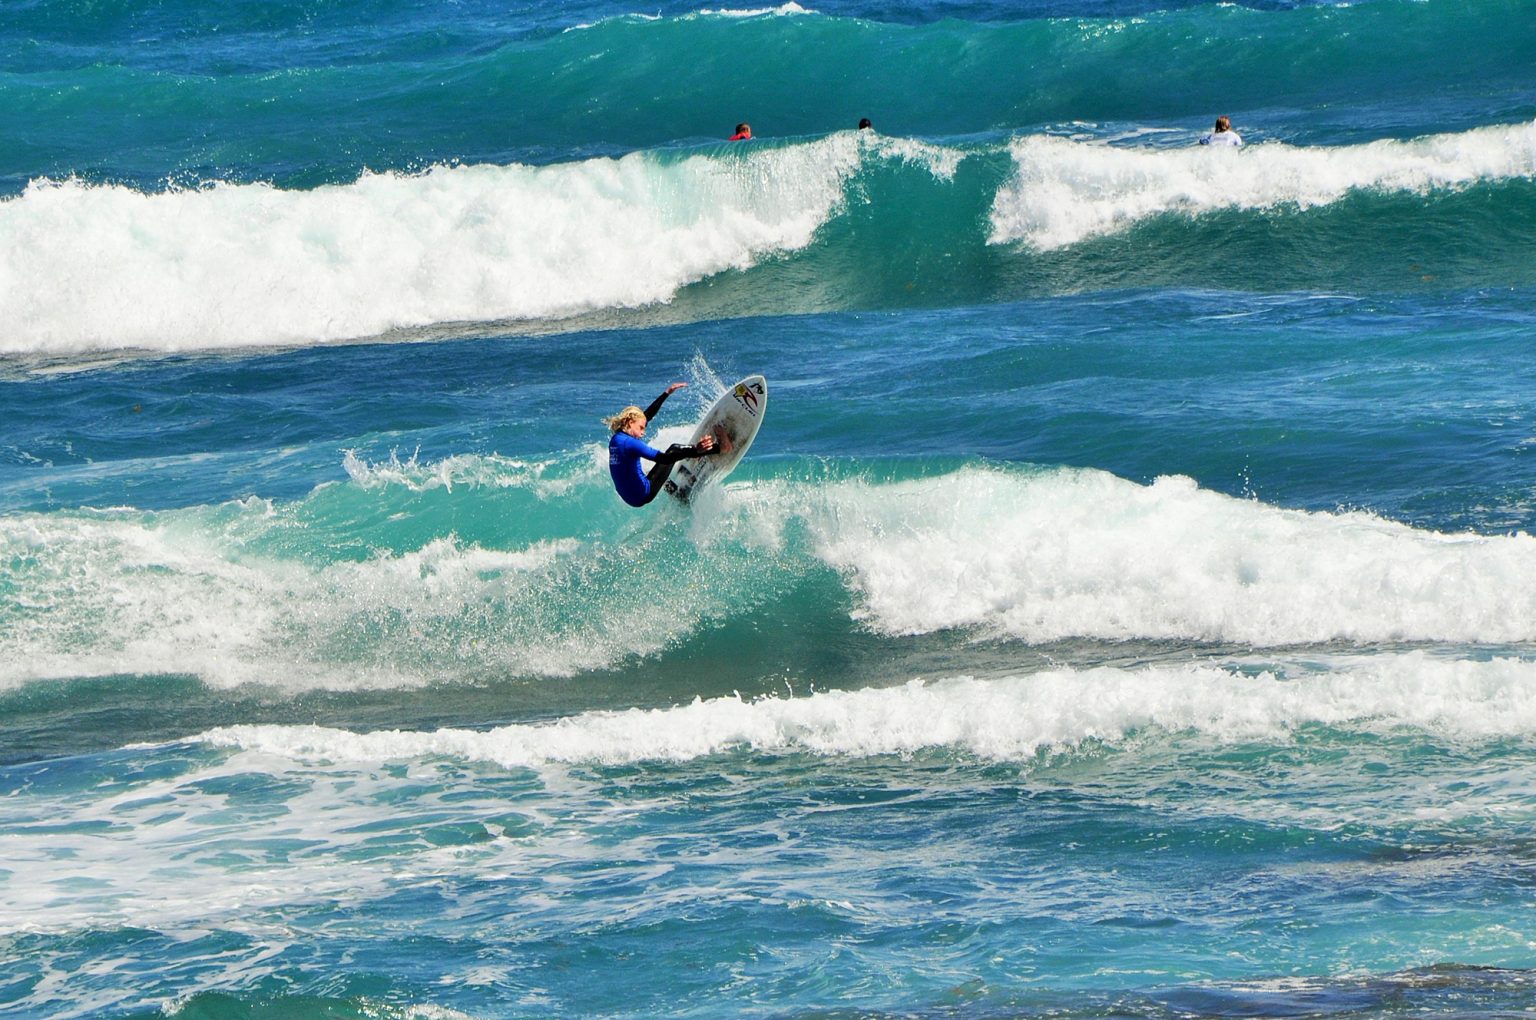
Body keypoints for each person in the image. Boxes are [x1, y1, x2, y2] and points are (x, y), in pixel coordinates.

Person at [604, 382, 720, 507]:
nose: (643, 433)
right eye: (641, 428)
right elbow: (664, 459)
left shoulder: (617, 438)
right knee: (673, 450)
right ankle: (718, 448)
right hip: (644, 493)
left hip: (630, 497)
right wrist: (696, 450)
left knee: (649, 470)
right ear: (630, 422)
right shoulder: (630, 443)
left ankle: (676, 493)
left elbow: (645, 416)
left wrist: (666, 393)